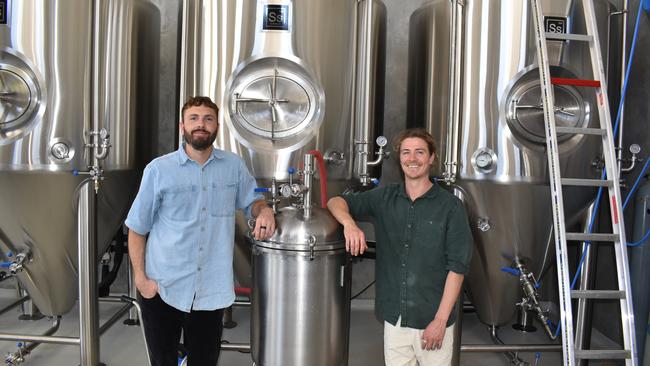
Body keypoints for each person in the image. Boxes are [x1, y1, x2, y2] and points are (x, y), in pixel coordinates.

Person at [125, 96, 275, 366]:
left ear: (217, 126)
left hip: (211, 290)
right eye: (194, 118)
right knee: (163, 361)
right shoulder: (159, 170)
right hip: (163, 287)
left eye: (208, 119)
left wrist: (264, 210)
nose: (201, 125)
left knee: (205, 361)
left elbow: (254, 201)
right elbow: (137, 229)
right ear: (182, 126)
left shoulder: (234, 167)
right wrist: (141, 280)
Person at [327, 128, 472, 366]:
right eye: (406, 152)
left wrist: (440, 321)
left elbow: (457, 268)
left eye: (419, 152)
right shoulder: (385, 198)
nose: (412, 159)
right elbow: (335, 201)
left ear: (432, 157)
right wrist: (349, 224)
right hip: (395, 319)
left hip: (432, 319)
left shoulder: (451, 207)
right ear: (399, 158)